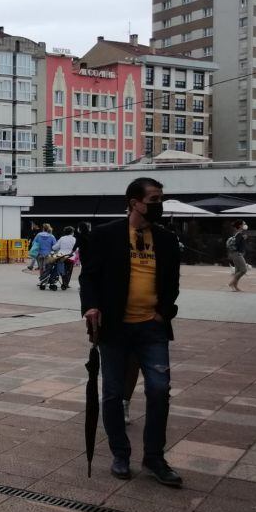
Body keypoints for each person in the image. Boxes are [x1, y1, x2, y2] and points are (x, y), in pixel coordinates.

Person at [80, 177, 182, 487]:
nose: (158, 205)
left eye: (160, 199)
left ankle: (154, 456)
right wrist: (91, 307)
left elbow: (172, 284)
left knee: (158, 390)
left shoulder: (165, 239)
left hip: (152, 328)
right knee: (112, 393)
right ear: (133, 202)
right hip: (115, 328)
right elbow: (89, 278)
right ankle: (120, 453)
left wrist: (163, 313)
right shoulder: (106, 235)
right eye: (153, 199)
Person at [227, 220, 249, 292]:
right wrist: (243, 238)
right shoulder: (239, 234)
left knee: (238, 270)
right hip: (237, 254)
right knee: (243, 270)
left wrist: (243, 238)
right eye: (243, 224)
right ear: (240, 225)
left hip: (235, 253)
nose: (245, 225)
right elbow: (237, 243)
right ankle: (231, 283)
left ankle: (235, 286)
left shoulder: (238, 233)